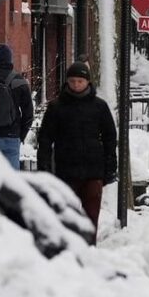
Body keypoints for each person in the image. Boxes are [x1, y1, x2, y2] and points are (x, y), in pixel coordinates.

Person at [37, 61, 117, 234]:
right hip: (65, 171)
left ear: (88, 82)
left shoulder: (99, 106)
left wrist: (110, 166)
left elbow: (110, 137)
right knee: (66, 218)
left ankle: (89, 247)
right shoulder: (56, 107)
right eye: (72, 81)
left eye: (80, 81)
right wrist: (44, 167)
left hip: (93, 171)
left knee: (91, 218)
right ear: (67, 81)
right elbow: (45, 139)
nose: (76, 84)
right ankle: (70, 247)